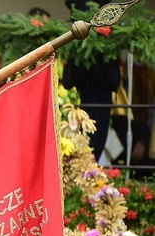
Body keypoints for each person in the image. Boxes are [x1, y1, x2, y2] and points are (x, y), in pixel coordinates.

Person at [62, 0, 120, 161]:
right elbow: (68, 80)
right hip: (85, 101)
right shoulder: (80, 46)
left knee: (93, 147)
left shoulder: (105, 44)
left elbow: (114, 80)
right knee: (86, 147)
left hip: (98, 99)